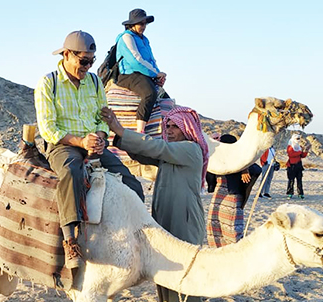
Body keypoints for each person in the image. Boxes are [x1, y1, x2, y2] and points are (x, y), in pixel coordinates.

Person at [34, 31, 144, 269]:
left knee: (131, 181)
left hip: (93, 143)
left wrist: (101, 137)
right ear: (67, 55)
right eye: (83, 61)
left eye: (91, 61)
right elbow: (48, 128)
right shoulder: (48, 83)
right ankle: (70, 239)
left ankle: (132, 233)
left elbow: (102, 117)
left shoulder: (94, 82)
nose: (88, 66)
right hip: (65, 144)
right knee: (70, 172)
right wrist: (81, 142)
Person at [102, 105, 208, 302]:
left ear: (187, 127)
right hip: (166, 219)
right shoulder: (171, 154)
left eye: (174, 126)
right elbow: (145, 153)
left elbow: (158, 147)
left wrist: (121, 130)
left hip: (184, 221)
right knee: (166, 274)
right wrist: (120, 139)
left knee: (185, 274)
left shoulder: (191, 149)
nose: (169, 129)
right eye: (167, 125)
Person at [115, 8, 167, 134]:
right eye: (141, 23)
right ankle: (140, 131)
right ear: (132, 24)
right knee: (149, 94)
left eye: (145, 23)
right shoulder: (126, 37)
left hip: (144, 74)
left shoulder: (144, 39)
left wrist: (158, 75)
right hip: (129, 74)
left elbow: (151, 59)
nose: (144, 26)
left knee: (165, 99)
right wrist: (155, 73)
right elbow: (135, 60)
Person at [206, 134, 262, 248]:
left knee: (231, 228)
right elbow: (209, 173)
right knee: (214, 224)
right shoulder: (220, 161)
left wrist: (244, 168)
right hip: (218, 194)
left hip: (232, 196)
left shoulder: (239, 162)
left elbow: (257, 169)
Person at [286, 133, 310, 199]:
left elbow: (302, 155)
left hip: (298, 165)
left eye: (299, 139)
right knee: (291, 180)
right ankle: (290, 193)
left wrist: (305, 151)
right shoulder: (290, 146)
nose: (298, 140)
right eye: (297, 139)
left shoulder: (299, 147)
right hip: (291, 166)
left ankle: (300, 194)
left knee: (299, 180)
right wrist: (300, 151)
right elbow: (291, 154)